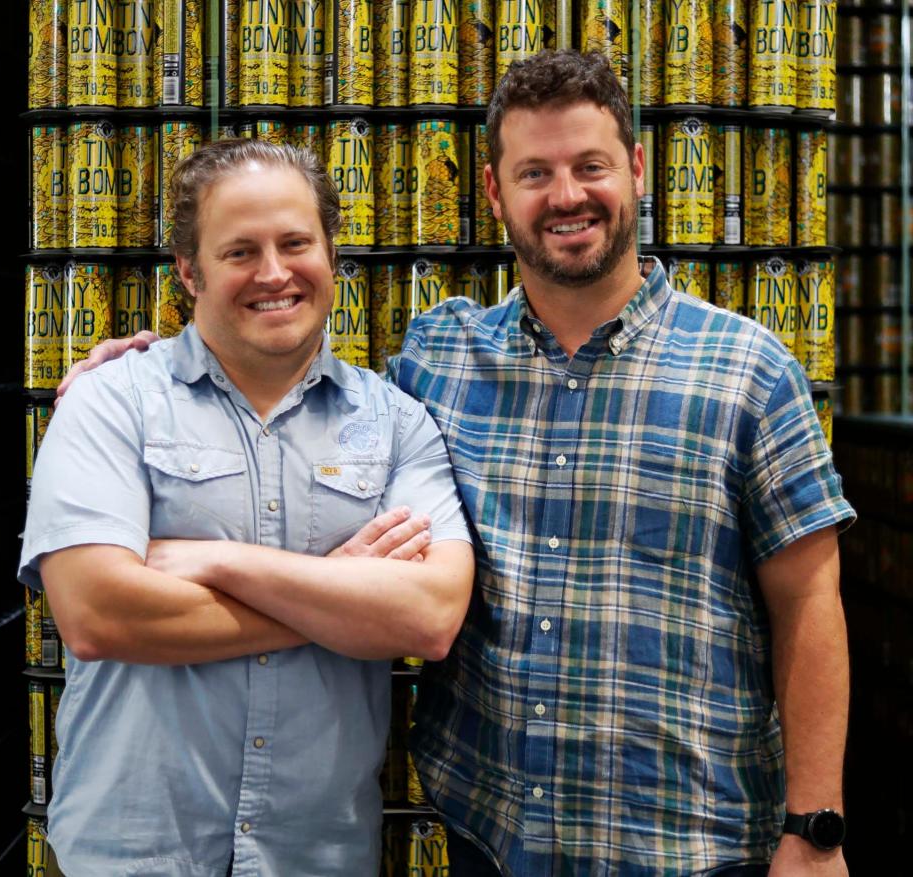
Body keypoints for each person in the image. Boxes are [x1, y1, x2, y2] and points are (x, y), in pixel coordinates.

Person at [60, 51, 854, 876]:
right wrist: (130, 373)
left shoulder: (751, 369)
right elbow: (258, 371)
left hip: (691, 840)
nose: (567, 196)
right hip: (492, 831)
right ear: (494, 191)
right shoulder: (438, 360)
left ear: (639, 170)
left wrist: (816, 826)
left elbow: (810, 605)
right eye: (534, 172)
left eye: (591, 166)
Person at [19, 140, 474, 876]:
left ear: (331, 255)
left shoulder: (398, 424)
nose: (273, 272)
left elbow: (427, 617)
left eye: (296, 243)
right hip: (136, 853)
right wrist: (336, 591)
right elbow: (98, 615)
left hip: (317, 854)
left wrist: (215, 561)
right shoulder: (110, 402)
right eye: (240, 251)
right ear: (189, 271)